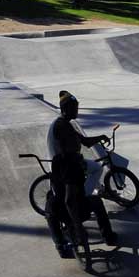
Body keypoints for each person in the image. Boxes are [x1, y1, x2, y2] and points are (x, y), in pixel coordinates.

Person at [47, 90, 117, 258]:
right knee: (95, 202)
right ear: (66, 109)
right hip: (75, 210)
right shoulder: (71, 162)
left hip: (65, 206)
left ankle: (60, 246)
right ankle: (108, 236)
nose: (77, 111)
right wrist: (78, 227)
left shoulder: (63, 126)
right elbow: (70, 200)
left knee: (50, 209)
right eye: (75, 108)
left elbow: (83, 141)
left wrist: (99, 137)